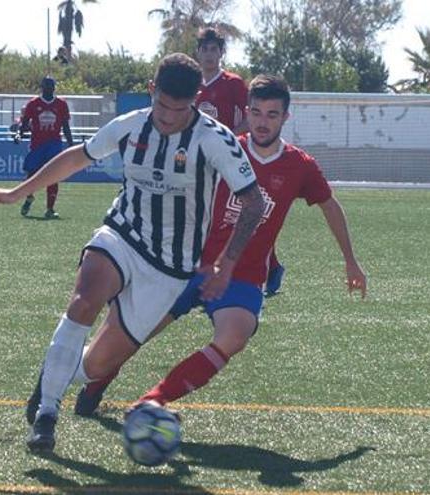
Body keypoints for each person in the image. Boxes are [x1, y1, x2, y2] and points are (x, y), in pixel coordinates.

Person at [0, 53, 265, 452]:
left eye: (178, 109)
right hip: (122, 234)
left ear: (196, 99)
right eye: (161, 105)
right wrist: (16, 193)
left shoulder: (214, 140)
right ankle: (47, 414)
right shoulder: (130, 127)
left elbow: (254, 203)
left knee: (97, 366)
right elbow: (78, 157)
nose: (166, 117)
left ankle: (56, 375)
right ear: (152, 91)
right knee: (85, 298)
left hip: (170, 267)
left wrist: (226, 264)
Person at [67, 74, 368, 419]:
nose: (262, 122)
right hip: (186, 263)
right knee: (136, 331)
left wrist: (351, 261)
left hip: (243, 276)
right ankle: (96, 384)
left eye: (272, 114)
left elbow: (330, 205)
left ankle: (152, 402)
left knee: (234, 335)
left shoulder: (300, 167)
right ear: (247, 112)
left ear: (286, 116)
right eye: (256, 112)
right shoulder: (221, 145)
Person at [196, 26, 286, 295]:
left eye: (215, 49)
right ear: (197, 52)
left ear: (222, 53)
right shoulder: (192, 85)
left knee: (241, 215)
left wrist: (227, 138)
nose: (210, 54)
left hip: (231, 160)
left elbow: (250, 117)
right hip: (201, 162)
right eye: (205, 49)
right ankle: (203, 269)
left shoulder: (233, 83)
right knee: (205, 215)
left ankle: (271, 265)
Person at [15, 76, 74, 219]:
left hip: (54, 143)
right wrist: (19, 134)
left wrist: (71, 144)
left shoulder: (61, 104)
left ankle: (50, 208)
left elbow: (65, 126)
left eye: (51, 86)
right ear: (42, 87)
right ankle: (29, 197)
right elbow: (24, 123)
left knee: (53, 175)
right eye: (46, 86)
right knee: (32, 174)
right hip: (37, 144)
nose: (49, 89)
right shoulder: (33, 103)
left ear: (54, 88)